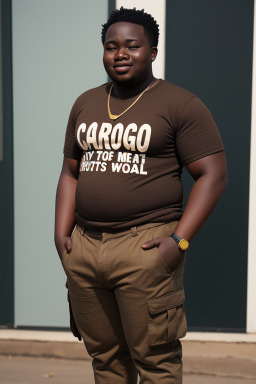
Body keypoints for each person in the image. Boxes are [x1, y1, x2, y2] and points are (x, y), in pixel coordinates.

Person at [54, 7, 227, 384]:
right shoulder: (85, 102)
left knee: (156, 362)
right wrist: (61, 234)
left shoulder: (180, 104)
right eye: (111, 46)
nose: (120, 54)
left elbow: (213, 176)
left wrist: (178, 242)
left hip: (146, 246)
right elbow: (70, 172)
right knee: (106, 360)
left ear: (152, 51)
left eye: (132, 45)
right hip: (85, 247)